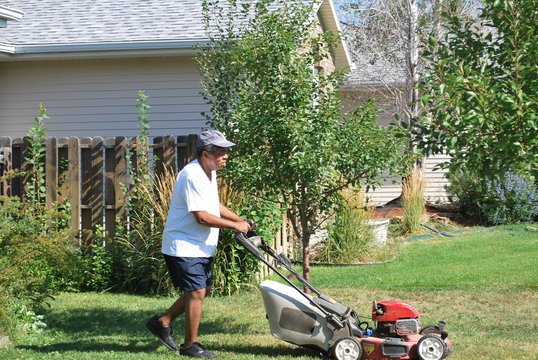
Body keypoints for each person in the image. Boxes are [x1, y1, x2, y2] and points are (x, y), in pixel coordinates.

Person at [146, 130, 252, 358]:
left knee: (201, 291)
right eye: (221, 153)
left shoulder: (209, 172)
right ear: (206, 153)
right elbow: (202, 216)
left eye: (226, 152)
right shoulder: (192, 175)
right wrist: (235, 227)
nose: (226, 157)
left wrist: (240, 220)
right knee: (196, 292)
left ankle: (162, 322)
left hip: (200, 244)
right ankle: (190, 346)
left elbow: (214, 205)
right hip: (183, 244)